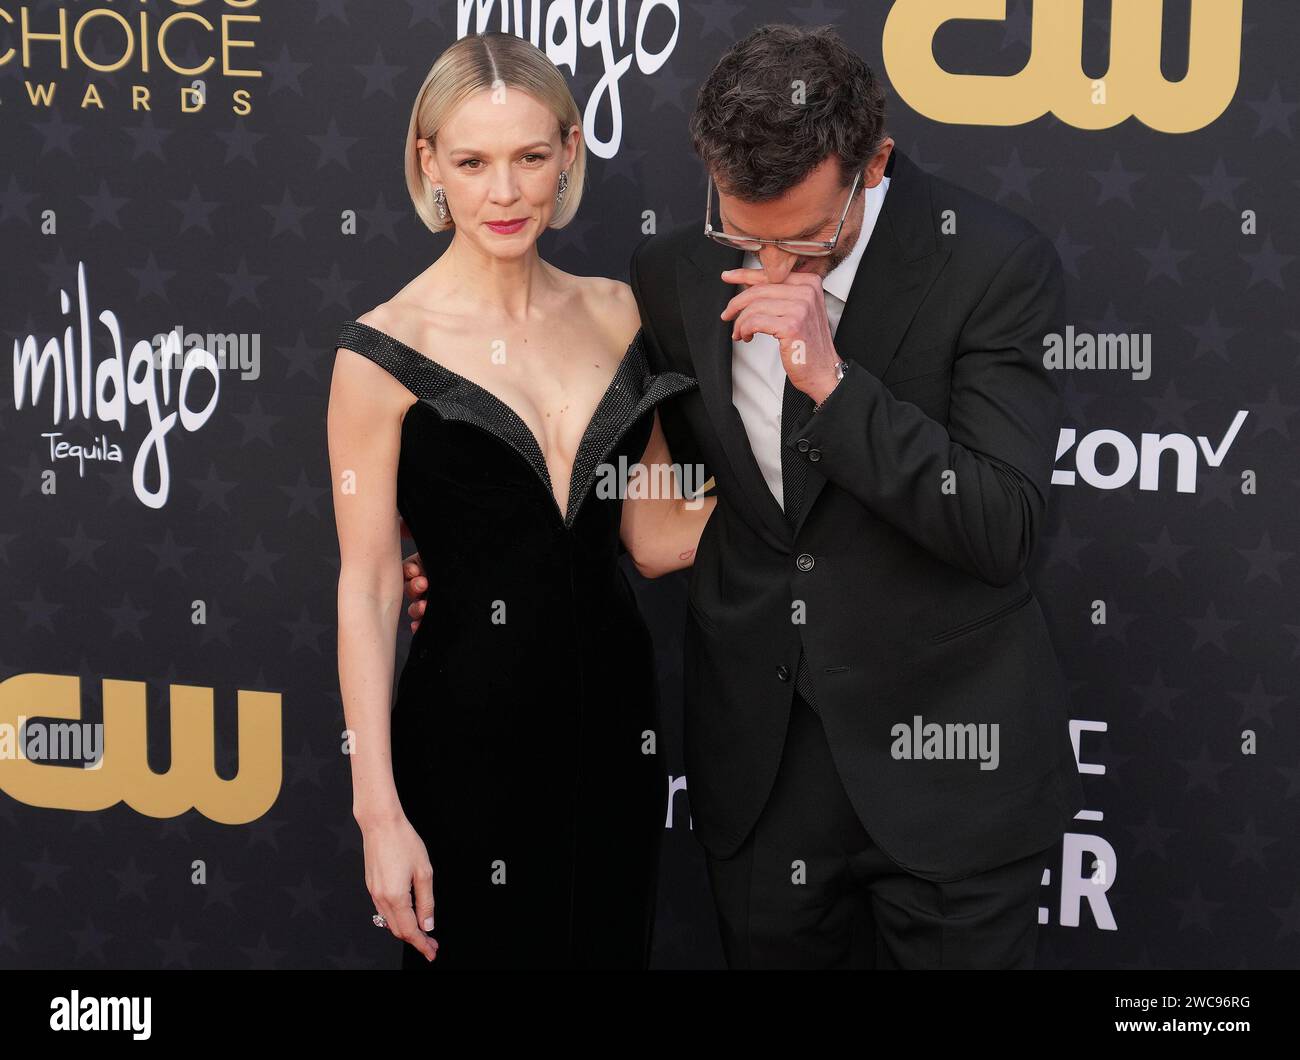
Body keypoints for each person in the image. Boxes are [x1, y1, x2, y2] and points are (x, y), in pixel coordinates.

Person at [404, 23, 1084, 969]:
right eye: (741, 235)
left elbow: (1003, 525)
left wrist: (834, 386)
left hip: (949, 787)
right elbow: (645, 492)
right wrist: (477, 563)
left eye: (805, 241)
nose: (769, 269)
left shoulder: (992, 265)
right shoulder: (670, 274)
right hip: (763, 786)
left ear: (873, 166)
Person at [328, 31, 713, 969]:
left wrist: (816, 473)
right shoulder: (378, 355)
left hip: (616, 728)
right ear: (430, 166)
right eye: (473, 161)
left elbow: (657, 535)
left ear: (569, 154)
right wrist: (378, 813)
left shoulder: (625, 312)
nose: (504, 192)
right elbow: (373, 588)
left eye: (530, 157)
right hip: (466, 738)